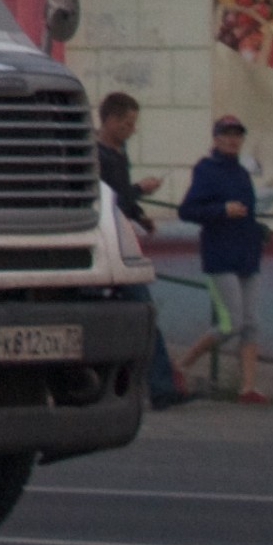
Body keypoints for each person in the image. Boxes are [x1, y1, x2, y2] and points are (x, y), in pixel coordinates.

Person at [97, 93, 185, 410]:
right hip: (104, 247)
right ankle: (155, 386)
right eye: (126, 123)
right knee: (139, 310)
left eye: (133, 124)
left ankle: (159, 386)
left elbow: (122, 202)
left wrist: (139, 215)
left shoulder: (119, 154)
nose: (131, 130)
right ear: (108, 120)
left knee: (142, 313)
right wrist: (138, 191)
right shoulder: (96, 155)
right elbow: (105, 200)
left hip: (121, 242)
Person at [174, 115, 269, 403]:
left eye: (237, 135)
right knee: (231, 324)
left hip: (246, 254)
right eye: (226, 135)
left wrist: (259, 230)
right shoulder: (207, 169)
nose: (232, 140)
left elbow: (245, 212)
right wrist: (221, 210)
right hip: (220, 257)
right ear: (215, 139)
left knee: (251, 323)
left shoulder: (241, 172)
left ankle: (247, 388)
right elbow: (187, 211)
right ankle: (180, 366)